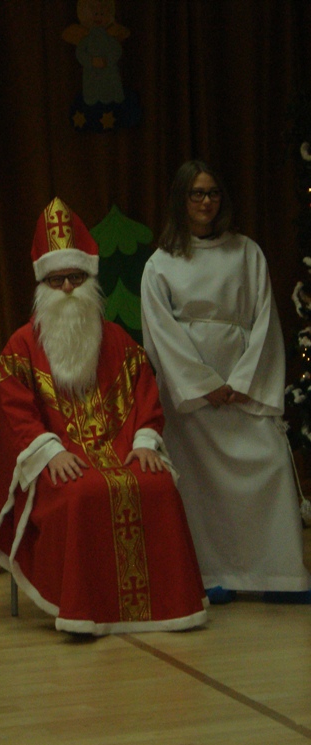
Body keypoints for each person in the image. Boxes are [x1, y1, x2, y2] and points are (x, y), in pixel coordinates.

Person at [0, 197, 208, 636]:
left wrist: (144, 441)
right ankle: (83, 608)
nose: (68, 288)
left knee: (159, 486)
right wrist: (49, 453)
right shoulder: (20, 348)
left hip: (120, 451)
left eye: (76, 277)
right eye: (57, 280)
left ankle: (170, 607)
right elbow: (16, 414)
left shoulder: (118, 341)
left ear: (90, 280)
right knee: (81, 492)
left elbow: (146, 396)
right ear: (42, 285)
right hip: (59, 459)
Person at [140, 159, 311, 604]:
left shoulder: (246, 252)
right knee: (201, 487)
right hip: (193, 399)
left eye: (213, 193)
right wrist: (203, 384)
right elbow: (161, 333)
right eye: (197, 193)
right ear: (181, 199)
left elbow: (264, 319)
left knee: (271, 463)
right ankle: (212, 574)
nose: (206, 202)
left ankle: (278, 576)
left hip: (243, 387)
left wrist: (242, 381)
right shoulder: (160, 263)